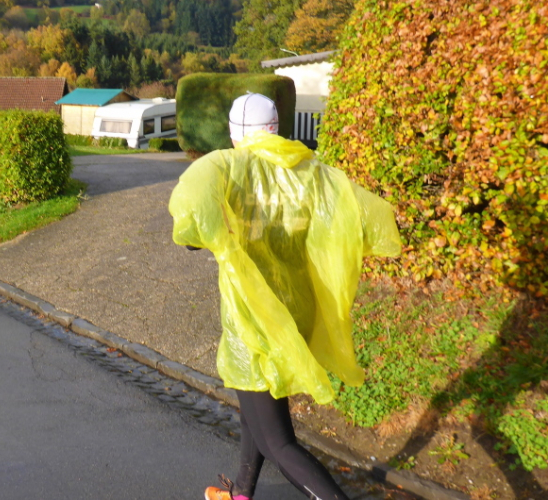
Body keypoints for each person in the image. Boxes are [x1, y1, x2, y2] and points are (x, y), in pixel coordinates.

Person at [168, 93, 401, 500]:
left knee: (277, 441)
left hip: (256, 318)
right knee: (255, 409)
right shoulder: (310, 170)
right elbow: (370, 218)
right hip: (297, 310)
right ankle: (241, 493)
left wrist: (210, 233)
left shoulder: (227, 166)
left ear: (235, 131)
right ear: (277, 127)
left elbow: (191, 216)